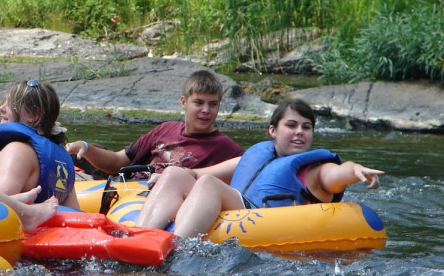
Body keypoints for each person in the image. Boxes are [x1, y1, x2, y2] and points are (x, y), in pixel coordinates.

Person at [136, 98, 384, 239]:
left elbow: (338, 173)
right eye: (291, 125)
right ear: (273, 131)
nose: (299, 131)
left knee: (209, 185)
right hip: (237, 204)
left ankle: (175, 245)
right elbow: (195, 174)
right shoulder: (255, 156)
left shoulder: (316, 171)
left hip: (262, 217)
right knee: (174, 173)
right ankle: (139, 236)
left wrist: (354, 170)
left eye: (306, 127)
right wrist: (162, 174)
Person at [65, 70, 244, 176]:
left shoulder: (226, 149)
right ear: (184, 102)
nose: (206, 110)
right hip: (130, 194)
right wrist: (86, 147)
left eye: (213, 104)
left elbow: (252, 171)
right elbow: (117, 162)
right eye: (199, 103)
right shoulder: (165, 130)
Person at [0, 79, 80, 208]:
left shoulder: (17, 151)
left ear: (34, 115)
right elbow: (74, 212)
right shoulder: (62, 160)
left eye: (11, 104)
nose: (1, 108)